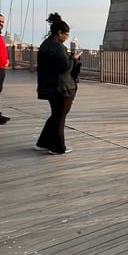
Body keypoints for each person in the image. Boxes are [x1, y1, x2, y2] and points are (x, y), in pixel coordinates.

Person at [35, 13, 81, 155]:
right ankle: (57, 147)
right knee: (60, 117)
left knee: (56, 115)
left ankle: (43, 143)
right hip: (62, 88)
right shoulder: (57, 46)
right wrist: (74, 58)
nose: (66, 38)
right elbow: (64, 67)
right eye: (66, 35)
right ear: (60, 33)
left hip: (50, 86)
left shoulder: (45, 44)